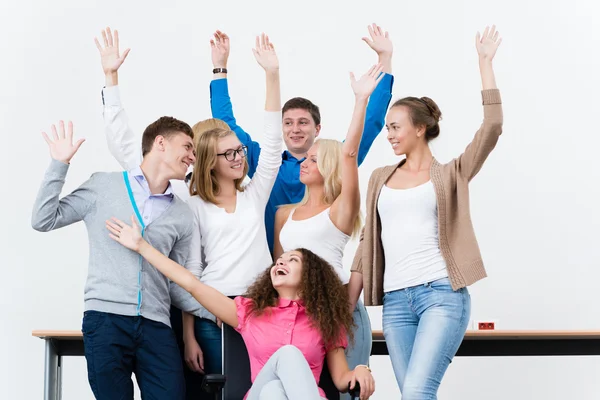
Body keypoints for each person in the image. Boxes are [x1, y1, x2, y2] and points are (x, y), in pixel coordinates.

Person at [350, 26, 503, 399]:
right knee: (413, 396)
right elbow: (368, 240)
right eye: (387, 128)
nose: (389, 134)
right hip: (396, 301)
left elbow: (492, 126)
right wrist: (347, 301)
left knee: (418, 391)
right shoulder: (379, 178)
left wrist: (485, 63)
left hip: (441, 295)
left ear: (420, 129)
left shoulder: (451, 173)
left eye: (395, 127)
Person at [105, 213, 376, 400]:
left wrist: (361, 369)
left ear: (311, 277)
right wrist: (142, 247)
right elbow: (192, 285)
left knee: (274, 392)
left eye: (292, 260)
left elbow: (342, 379)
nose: (280, 262)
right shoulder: (249, 311)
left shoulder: (325, 322)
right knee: (286, 358)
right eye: (279, 259)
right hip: (256, 396)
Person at [31, 117, 198, 399]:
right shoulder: (103, 186)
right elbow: (43, 219)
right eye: (188, 147)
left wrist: (216, 310)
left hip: (157, 325)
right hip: (106, 320)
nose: (193, 157)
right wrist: (59, 165)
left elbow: (177, 282)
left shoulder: (183, 214)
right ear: (160, 143)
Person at [210, 23, 394, 251]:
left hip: (320, 268)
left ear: (317, 129)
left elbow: (370, 123)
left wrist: (385, 60)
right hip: (270, 267)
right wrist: (220, 68)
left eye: (303, 122)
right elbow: (225, 126)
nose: (295, 129)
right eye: (288, 123)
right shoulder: (264, 163)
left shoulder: (335, 161)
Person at [273, 63, 383, 400]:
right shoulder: (284, 214)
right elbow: (279, 273)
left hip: (339, 311)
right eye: (306, 157)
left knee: (345, 391)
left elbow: (350, 153)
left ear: (331, 166)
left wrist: (361, 101)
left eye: (315, 159)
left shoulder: (340, 211)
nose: (304, 162)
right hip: (298, 317)